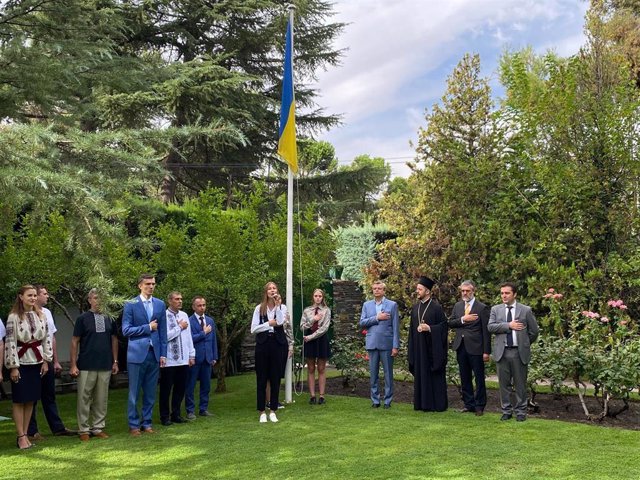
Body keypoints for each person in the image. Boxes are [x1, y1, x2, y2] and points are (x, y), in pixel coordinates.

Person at [4, 285, 53, 449]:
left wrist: (46, 360)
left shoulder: (41, 315)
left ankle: (26, 434)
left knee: (31, 399)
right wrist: (13, 367)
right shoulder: (13, 317)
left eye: (34, 295)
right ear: (21, 297)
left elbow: (46, 338)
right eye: (29, 295)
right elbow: (10, 342)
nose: (32, 298)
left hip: (37, 362)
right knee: (19, 400)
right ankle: (21, 435)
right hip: (21, 362)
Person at [69, 289, 119, 441]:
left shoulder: (110, 318)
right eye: (96, 298)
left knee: (101, 398)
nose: (98, 301)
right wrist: (73, 365)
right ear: (90, 300)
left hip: (105, 364)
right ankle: (83, 429)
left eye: (101, 298)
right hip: (86, 364)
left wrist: (115, 361)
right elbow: (74, 341)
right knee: (84, 398)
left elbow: (114, 339)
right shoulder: (82, 318)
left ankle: (98, 428)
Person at [28, 284, 75, 440]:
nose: (47, 296)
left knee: (49, 395)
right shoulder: (26, 314)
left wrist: (55, 361)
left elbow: (51, 337)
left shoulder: (47, 313)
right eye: (44, 294)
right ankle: (31, 431)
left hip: (47, 359)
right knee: (32, 396)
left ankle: (57, 427)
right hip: (32, 360)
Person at [122, 273, 167, 435]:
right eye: (148, 284)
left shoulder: (160, 304)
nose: (151, 286)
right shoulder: (130, 304)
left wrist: (163, 354)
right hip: (136, 354)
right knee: (134, 392)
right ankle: (133, 425)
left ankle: (146, 423)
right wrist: (147, 327)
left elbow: (163, 332)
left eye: (153, 284)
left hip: (154, 354)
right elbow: (126, 330)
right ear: (140, 285)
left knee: (150, 392)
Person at [487, 282, 539, 422]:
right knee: (504, 385)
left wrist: (525, 344)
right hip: (502, 352)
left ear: (514, 294)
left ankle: (521, 412)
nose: (504, 295)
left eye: (507, 293)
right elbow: (490, 327)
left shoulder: (525, 310)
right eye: (502, 293)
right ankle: (506, 411)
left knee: (520, 384)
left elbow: (534, 331)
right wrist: (508, 325)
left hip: (518, 352)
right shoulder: (495, 309)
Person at [448, 280, 490, 416]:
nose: (465, 293)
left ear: (473, 291)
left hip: (476, 347)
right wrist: (463, 319)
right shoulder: (458, 306)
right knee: (464, 377)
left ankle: (479, 406)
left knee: (478, 378)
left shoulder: (481, 307)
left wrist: (486, 351)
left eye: (467, 291)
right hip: (461, 346)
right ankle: (469, 404)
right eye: (462, 291)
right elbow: (451, 323)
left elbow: (486, 331)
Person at [407, 276, 448, 412]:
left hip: (432, 350)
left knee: (433, 376)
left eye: (420, 289)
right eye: (417, 289)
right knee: (420, 375)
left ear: (428, 292)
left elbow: (443, 327)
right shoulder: (415, 308)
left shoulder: (436, 308)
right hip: (419, 349)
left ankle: (435, 405)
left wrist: (430, 328)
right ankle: (421, 404)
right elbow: (412, 331)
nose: (417, 291)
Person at [250, 281, 288, 423]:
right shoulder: (259, 308)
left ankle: (273, 410)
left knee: (275, 377)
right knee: (262, 378)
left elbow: (279, 322)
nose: (272, 291)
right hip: (263, 345)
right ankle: (261, 411)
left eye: (274, 288)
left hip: (277, 344)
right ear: (266, 292)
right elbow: (253, 329)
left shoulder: (282, 307)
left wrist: (277, 306)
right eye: (270, 289)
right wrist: (267, 324)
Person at [359, 280, 400, 409]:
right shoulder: (367, 305)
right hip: (372, 343)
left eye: (379, 288)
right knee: (373, 374)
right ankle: (375, 400)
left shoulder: (392, 305)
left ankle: (387, 401)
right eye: (374, 288)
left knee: (388, 374)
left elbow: (395, 327)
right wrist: (377, 318)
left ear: (383, 290)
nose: (376, 290)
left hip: (387, 344)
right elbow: (362, 322)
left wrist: (395, 346)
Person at [159, 291, 195, 426]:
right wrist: (179, 327)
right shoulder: (164, 316)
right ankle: (164, 416)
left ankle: (176, 414)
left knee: (180, 389)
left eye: (181, 299)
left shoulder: (184, 315)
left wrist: (192, 354)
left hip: (183, 358)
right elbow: (164, 337)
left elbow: (189, 337)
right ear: (169, 301)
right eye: (176, 299)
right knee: (166, 389)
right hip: (168, 360)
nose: (180, 301)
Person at [186, 296, 218, 420]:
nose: (202, 307)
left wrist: (214, 356)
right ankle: (190, 410)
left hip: (207, 358)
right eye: (199, 305)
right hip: (194, 358)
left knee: (206, 385)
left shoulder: (210, 320)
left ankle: (203, 409)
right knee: (190, 385)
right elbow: (189, 339)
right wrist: (203, 333)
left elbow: (213, 339)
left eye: (204, 305)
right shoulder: (188, 321)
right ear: (193, 307)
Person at [300, 288, 331, 405]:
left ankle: (322, 395)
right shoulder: (307, 310)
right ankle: (312, 395)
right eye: (316, 296)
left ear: (323, 297)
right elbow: (302, 327)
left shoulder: (326, 310)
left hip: (320, 339)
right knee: (311, 368)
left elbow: (325, 328)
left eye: (320, 296)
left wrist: (311, 337)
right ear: (312, 297)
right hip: (309, 340)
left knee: (321, 368)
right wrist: (314, 319)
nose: (318, 298)